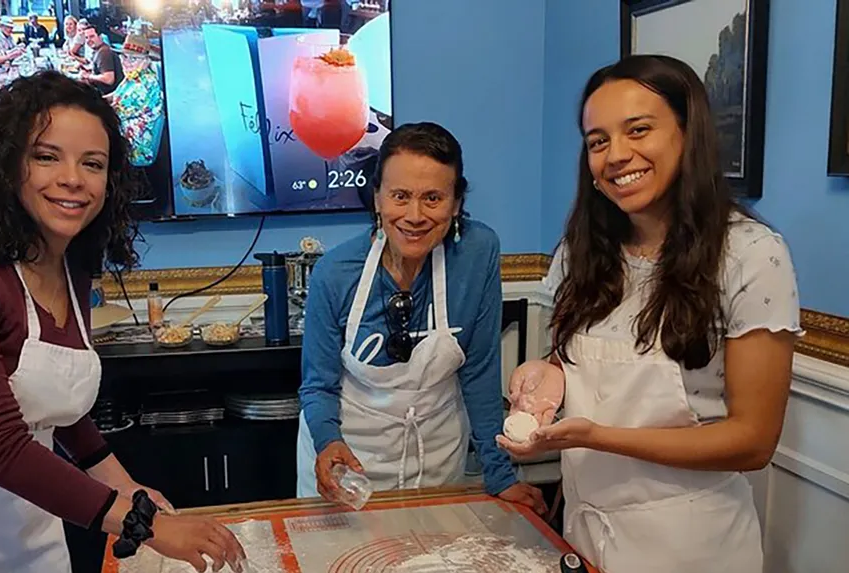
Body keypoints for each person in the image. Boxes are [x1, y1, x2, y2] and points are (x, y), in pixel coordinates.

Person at [0, 71, 245, 573]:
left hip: (21, 528)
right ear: (7, 164)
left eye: (92, 164)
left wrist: (129, 490)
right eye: (46, 156)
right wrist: (142, 524)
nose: (73, 178)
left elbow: (58, 411)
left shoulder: (71, 268)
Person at [497, 54, 802, 572]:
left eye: (638, 130)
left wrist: (598, 437)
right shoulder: (582, 251)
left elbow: (752, 441)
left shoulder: (750, 254)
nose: (616, 155)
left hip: (691, 543)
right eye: (598, 141)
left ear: (688, 134)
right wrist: (547, 376)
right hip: (587, 532)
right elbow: (575, 359)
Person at [297, 122, 547, 515]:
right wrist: (328, 442)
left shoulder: (477, 254)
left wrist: (500, 477)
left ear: (456, 202)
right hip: (348, 465)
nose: (414, 215)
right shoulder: (335, 271)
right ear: (377, 198)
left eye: (433, 198)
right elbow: (317, 386)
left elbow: (479, 372)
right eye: (400, 196)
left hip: (436, 462)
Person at [106, 31, 165, 167]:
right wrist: (100, 97)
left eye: (133, 58)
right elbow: (117, 94)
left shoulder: (143, 85)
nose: (126, 62)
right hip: (123, 140)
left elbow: (111, 115)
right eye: (124, 57)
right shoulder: (134, 76)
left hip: (135, 153)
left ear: (146, 61)